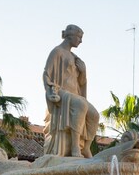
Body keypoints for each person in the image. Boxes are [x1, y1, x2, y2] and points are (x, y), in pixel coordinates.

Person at [43, 24, 100, 158]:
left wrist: (83, 71)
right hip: (60, 92)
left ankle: (85, 148)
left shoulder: (75, 57)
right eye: (79, 37)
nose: (80, 41)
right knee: (81, 104)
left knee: (95, 115)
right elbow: (46, 73)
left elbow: (81, 83)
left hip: (75, 94)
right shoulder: (57, 52)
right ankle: (75, 148)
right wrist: (50, 91)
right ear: (70, 36)